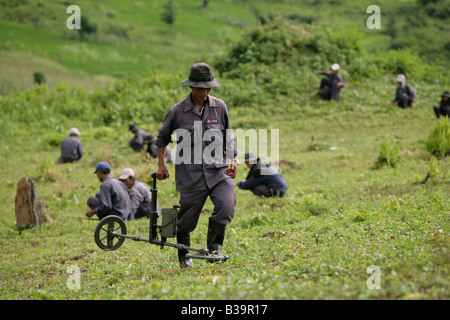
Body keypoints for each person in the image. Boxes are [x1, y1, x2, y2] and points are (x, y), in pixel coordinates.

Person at [154, 62, 238, 268]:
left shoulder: (220, 107)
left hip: (217, 170)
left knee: (226, 204)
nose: (205, 91)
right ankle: (184, 256)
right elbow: (162, 138)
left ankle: (214, 248)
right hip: (190, 175)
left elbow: (229, 135)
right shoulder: (177, 112)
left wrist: (234, 158)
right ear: (191, 87)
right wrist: (161, 166)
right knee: (186, 222)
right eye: (201, 87)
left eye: (208, 87)